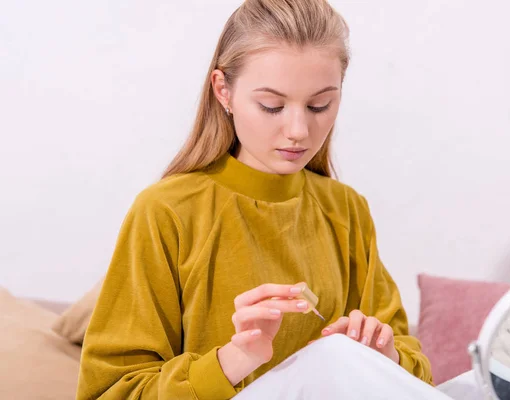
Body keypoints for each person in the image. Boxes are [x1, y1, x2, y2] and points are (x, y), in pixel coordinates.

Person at [76, 0, 434, 398]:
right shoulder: (166, 212)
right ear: (223, 90)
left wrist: (384, 355)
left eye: (321, 105)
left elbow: (414, 373)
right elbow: (111, 391)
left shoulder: (346, 209)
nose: (298, 130)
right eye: (272, 106)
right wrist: (233, 360)